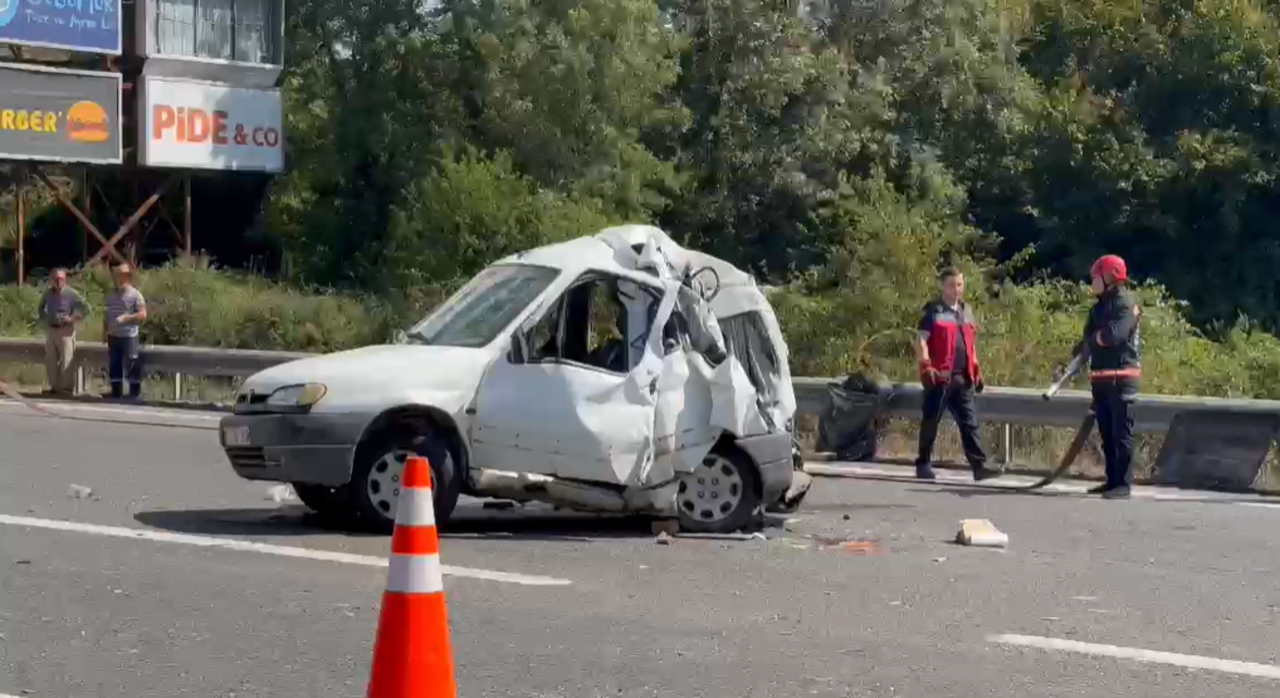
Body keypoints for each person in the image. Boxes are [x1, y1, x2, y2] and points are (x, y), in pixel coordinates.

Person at [914, 266, 997, 481]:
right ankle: (923, 463)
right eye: (952, 285)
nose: (956, 289)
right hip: (939, 377)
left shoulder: (966, 311)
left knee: (970, 423)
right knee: (931, 421)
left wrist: (976, 368)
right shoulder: (933, 310)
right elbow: (921, 340)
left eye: (959, 285)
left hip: (963, 377)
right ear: (943, 286)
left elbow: (970, 343)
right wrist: (925, 364)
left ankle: (979, 466)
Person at [1074, 254, 1141, 499]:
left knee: (1121, 434)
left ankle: (1123, 484)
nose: (1092, 282)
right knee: (1107, 434)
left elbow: (1114, 335)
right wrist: (1082, 347)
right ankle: (1111, 480)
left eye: (1095, 278)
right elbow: (1090, 337)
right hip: (1101, 377)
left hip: (1121, 376)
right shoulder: (1098, 308)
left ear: (1110, 277)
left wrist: (1092, 341)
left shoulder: (1126, 304)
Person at [37, 268, 88, 395]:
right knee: (51, 360)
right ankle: (54, 387)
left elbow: (86, 308)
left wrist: (72, 318)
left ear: (65, 279)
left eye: (61, 279)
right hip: (51, 329)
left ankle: (66, 389)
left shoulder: (71, 293)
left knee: (67, 359)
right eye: (56, 279)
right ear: (51, 280)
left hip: (65, 330)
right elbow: (40, 307)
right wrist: (45, 317)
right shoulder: (48, 293)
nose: (59, 281)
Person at [103, 263, 147, 401]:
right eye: (117, 274)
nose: (119, 277)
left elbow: (143, 314)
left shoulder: (135, 295)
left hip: (129, 336)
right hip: (113, 336)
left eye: (123, 275)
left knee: (132, 363)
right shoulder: (110, 295)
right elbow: (107, 315)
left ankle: (134, 394)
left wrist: (127, 317)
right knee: (114, 364)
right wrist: (104, 331)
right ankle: (116, 393)